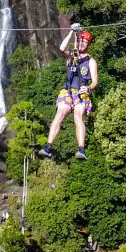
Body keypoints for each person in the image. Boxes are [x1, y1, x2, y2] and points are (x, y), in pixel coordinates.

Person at [38, 23, 98, 160]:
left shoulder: (91, 61)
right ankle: (48, 146)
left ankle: (81, 149)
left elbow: (95, 81)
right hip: (68, 90)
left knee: (78, 116)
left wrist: (88, 88)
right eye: (81, 41)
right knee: (60, 113)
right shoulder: (71, 56)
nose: (82, 44)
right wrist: (71, 32)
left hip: (81, 92)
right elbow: (61, 48)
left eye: (85, 42)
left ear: (88, 44)